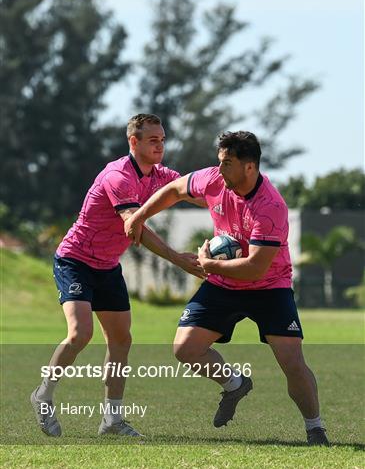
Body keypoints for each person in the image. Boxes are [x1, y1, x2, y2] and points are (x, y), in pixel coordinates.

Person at [124, 130, 330, 446]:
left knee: (291, 362)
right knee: (186, 348)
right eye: (219, 162)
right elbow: (175, 189)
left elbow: (255, 268)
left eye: (228, 164)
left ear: (250, 167)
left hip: (269, 287)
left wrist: (209, 265)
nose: (220, 170)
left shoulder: (270, 207)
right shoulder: (215, 180)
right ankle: (234, 384)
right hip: (223, 283)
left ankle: (315, 428)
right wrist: (139, 215)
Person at [31, 113, 204, 438]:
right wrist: (177, 259)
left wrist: (230, 199)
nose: (160, 146)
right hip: (76, 260)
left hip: (108, 266)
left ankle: (112, 420)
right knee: (80, 334)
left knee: (121, 339)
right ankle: (43, 395)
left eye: (163, 140)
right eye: (153, 140)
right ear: (133, 142)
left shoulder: (159, 175)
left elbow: (190, 190)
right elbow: (135, 227)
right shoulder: (118, 176)